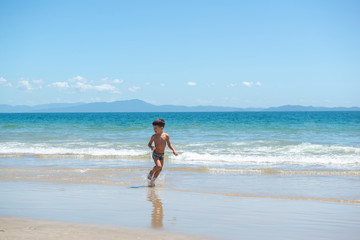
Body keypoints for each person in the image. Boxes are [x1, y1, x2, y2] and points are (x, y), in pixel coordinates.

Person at [147, 118, 178, 186]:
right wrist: (151, 147)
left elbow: (169, 144)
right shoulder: (154, 136)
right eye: (153, 128)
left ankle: (152, 181)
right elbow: (149, 144)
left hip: (162, 154)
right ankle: (151, 172)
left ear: (161, 128)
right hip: (155, 154)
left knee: (160, 169)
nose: (154, 129)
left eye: (156, 128)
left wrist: (174, 150)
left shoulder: (166, 136)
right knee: (158, 166)